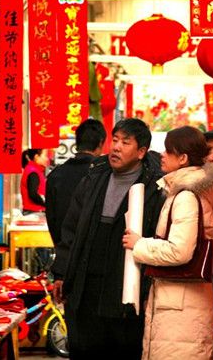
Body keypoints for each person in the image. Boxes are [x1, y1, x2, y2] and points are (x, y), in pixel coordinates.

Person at [52, 118, 165, 359]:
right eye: (115, 140)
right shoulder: (94, 178)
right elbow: (71, 228)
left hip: (125, 290)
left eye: (125, 142)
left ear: (141, 152)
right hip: (86, 287)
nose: (116, 147)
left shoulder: (154, 187)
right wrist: (61, 273)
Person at [122, 126, 213, 360]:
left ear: (183, 158)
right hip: (182, 302)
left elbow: (179, 251)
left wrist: (139, 244)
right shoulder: (191, 192)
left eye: (168, 150)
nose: (162, 155)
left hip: (180, 307)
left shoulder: (186, 196)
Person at [46, 119, 106, 245]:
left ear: (77, 142)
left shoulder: (55, 175)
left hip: (64, 249)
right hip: (93, 251)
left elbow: (51, 219)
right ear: (101, 143)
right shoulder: (104, 174)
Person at [20, 148, 49, 214]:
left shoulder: (34, 170)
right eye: (45, 156)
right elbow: (33, 194)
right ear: (36, 157)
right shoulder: (33, 172)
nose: (47, 159)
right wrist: (46, 204)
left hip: (34, 211)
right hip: (34, 211)